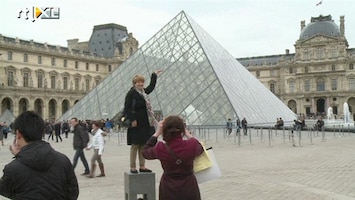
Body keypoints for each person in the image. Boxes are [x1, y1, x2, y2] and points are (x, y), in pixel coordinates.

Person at [0, 111, 79, 199]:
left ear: (18, 134)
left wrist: (21, 155)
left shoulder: (12, 169)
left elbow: (5, 190)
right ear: (42, 131)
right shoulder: (64, 160)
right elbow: (73, 192)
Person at [143, 115, 203, 200]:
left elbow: (145, 152)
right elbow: (200, 147)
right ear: (181, 129)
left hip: (168, 187)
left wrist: (157, 133)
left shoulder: (160, 148)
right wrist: (186, 132)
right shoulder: (191, 145)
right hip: (189, 186)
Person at [124, 70, 163, 173]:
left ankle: (142, 166)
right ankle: (133, 167)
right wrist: (132, 119)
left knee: (143, 144)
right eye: (138, 82)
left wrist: (154, 75)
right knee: (135, 145)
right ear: (134, 83)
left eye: (142, 82)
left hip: (145, 122)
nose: (140, 84)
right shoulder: (131, 93)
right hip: (136, 122)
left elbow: (151, 87)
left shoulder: (143, 92)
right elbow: (126, 108)